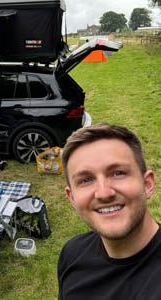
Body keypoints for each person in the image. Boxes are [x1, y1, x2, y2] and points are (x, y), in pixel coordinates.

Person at [57, 123, 159, 300]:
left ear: (147, 184)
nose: (104, 193)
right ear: (72, 197)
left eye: (118, 173)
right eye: (86, 180)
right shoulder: (72, 253)